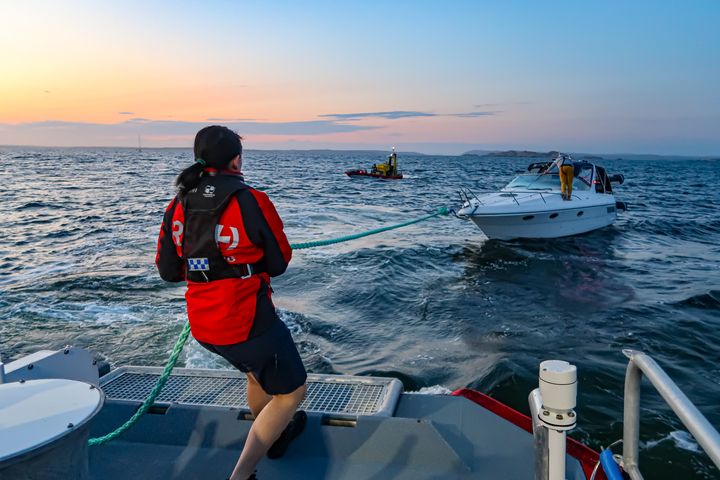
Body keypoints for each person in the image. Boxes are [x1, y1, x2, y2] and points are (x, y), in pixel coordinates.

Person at [156, 126, 307, 480]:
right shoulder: (251, 199)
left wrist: (207, 267)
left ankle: (273, 435)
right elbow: (280, 262)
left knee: (257, 375)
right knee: (292, 392)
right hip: (246, 321)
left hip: (204, 325)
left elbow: (167, 270)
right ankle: (241, 475)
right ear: (236, 159)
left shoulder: (177, 204)